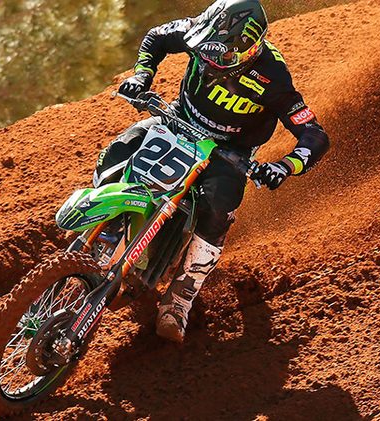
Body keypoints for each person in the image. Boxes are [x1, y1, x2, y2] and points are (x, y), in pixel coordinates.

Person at [94, 0, 330, 342]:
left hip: (228, 152)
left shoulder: (274, 76)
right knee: (116, 153)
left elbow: (314, 135)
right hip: (176, 120)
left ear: (251, 49)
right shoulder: (199, 33)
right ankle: (106, 227)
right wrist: (142, 74)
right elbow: (156, 37)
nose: (210, 61)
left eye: (222, 57)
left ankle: (180, 299)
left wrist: (284, 165)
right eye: (205, 52)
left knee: (218, 206)